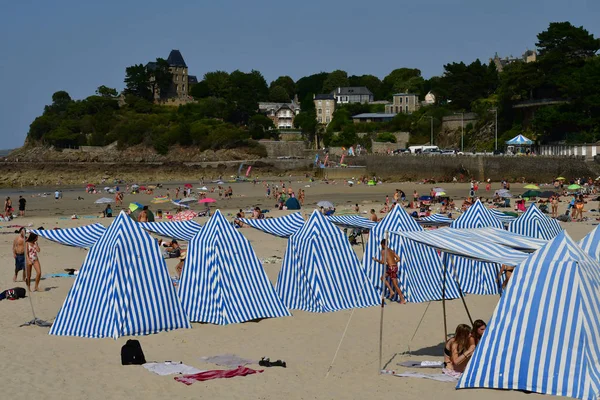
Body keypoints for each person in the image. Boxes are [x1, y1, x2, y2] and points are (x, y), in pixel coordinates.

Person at [372, 239, 406, 304]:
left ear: (382, 244)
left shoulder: (383, 251)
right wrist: (392, 262)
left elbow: (382, 262)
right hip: (394, 267)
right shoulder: (391, 250)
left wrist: (376, 260)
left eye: (381, 245)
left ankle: (402, 299)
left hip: (391, 268)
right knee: (382, 278)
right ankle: (391, 291)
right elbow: (398, 258)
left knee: (395, 285)